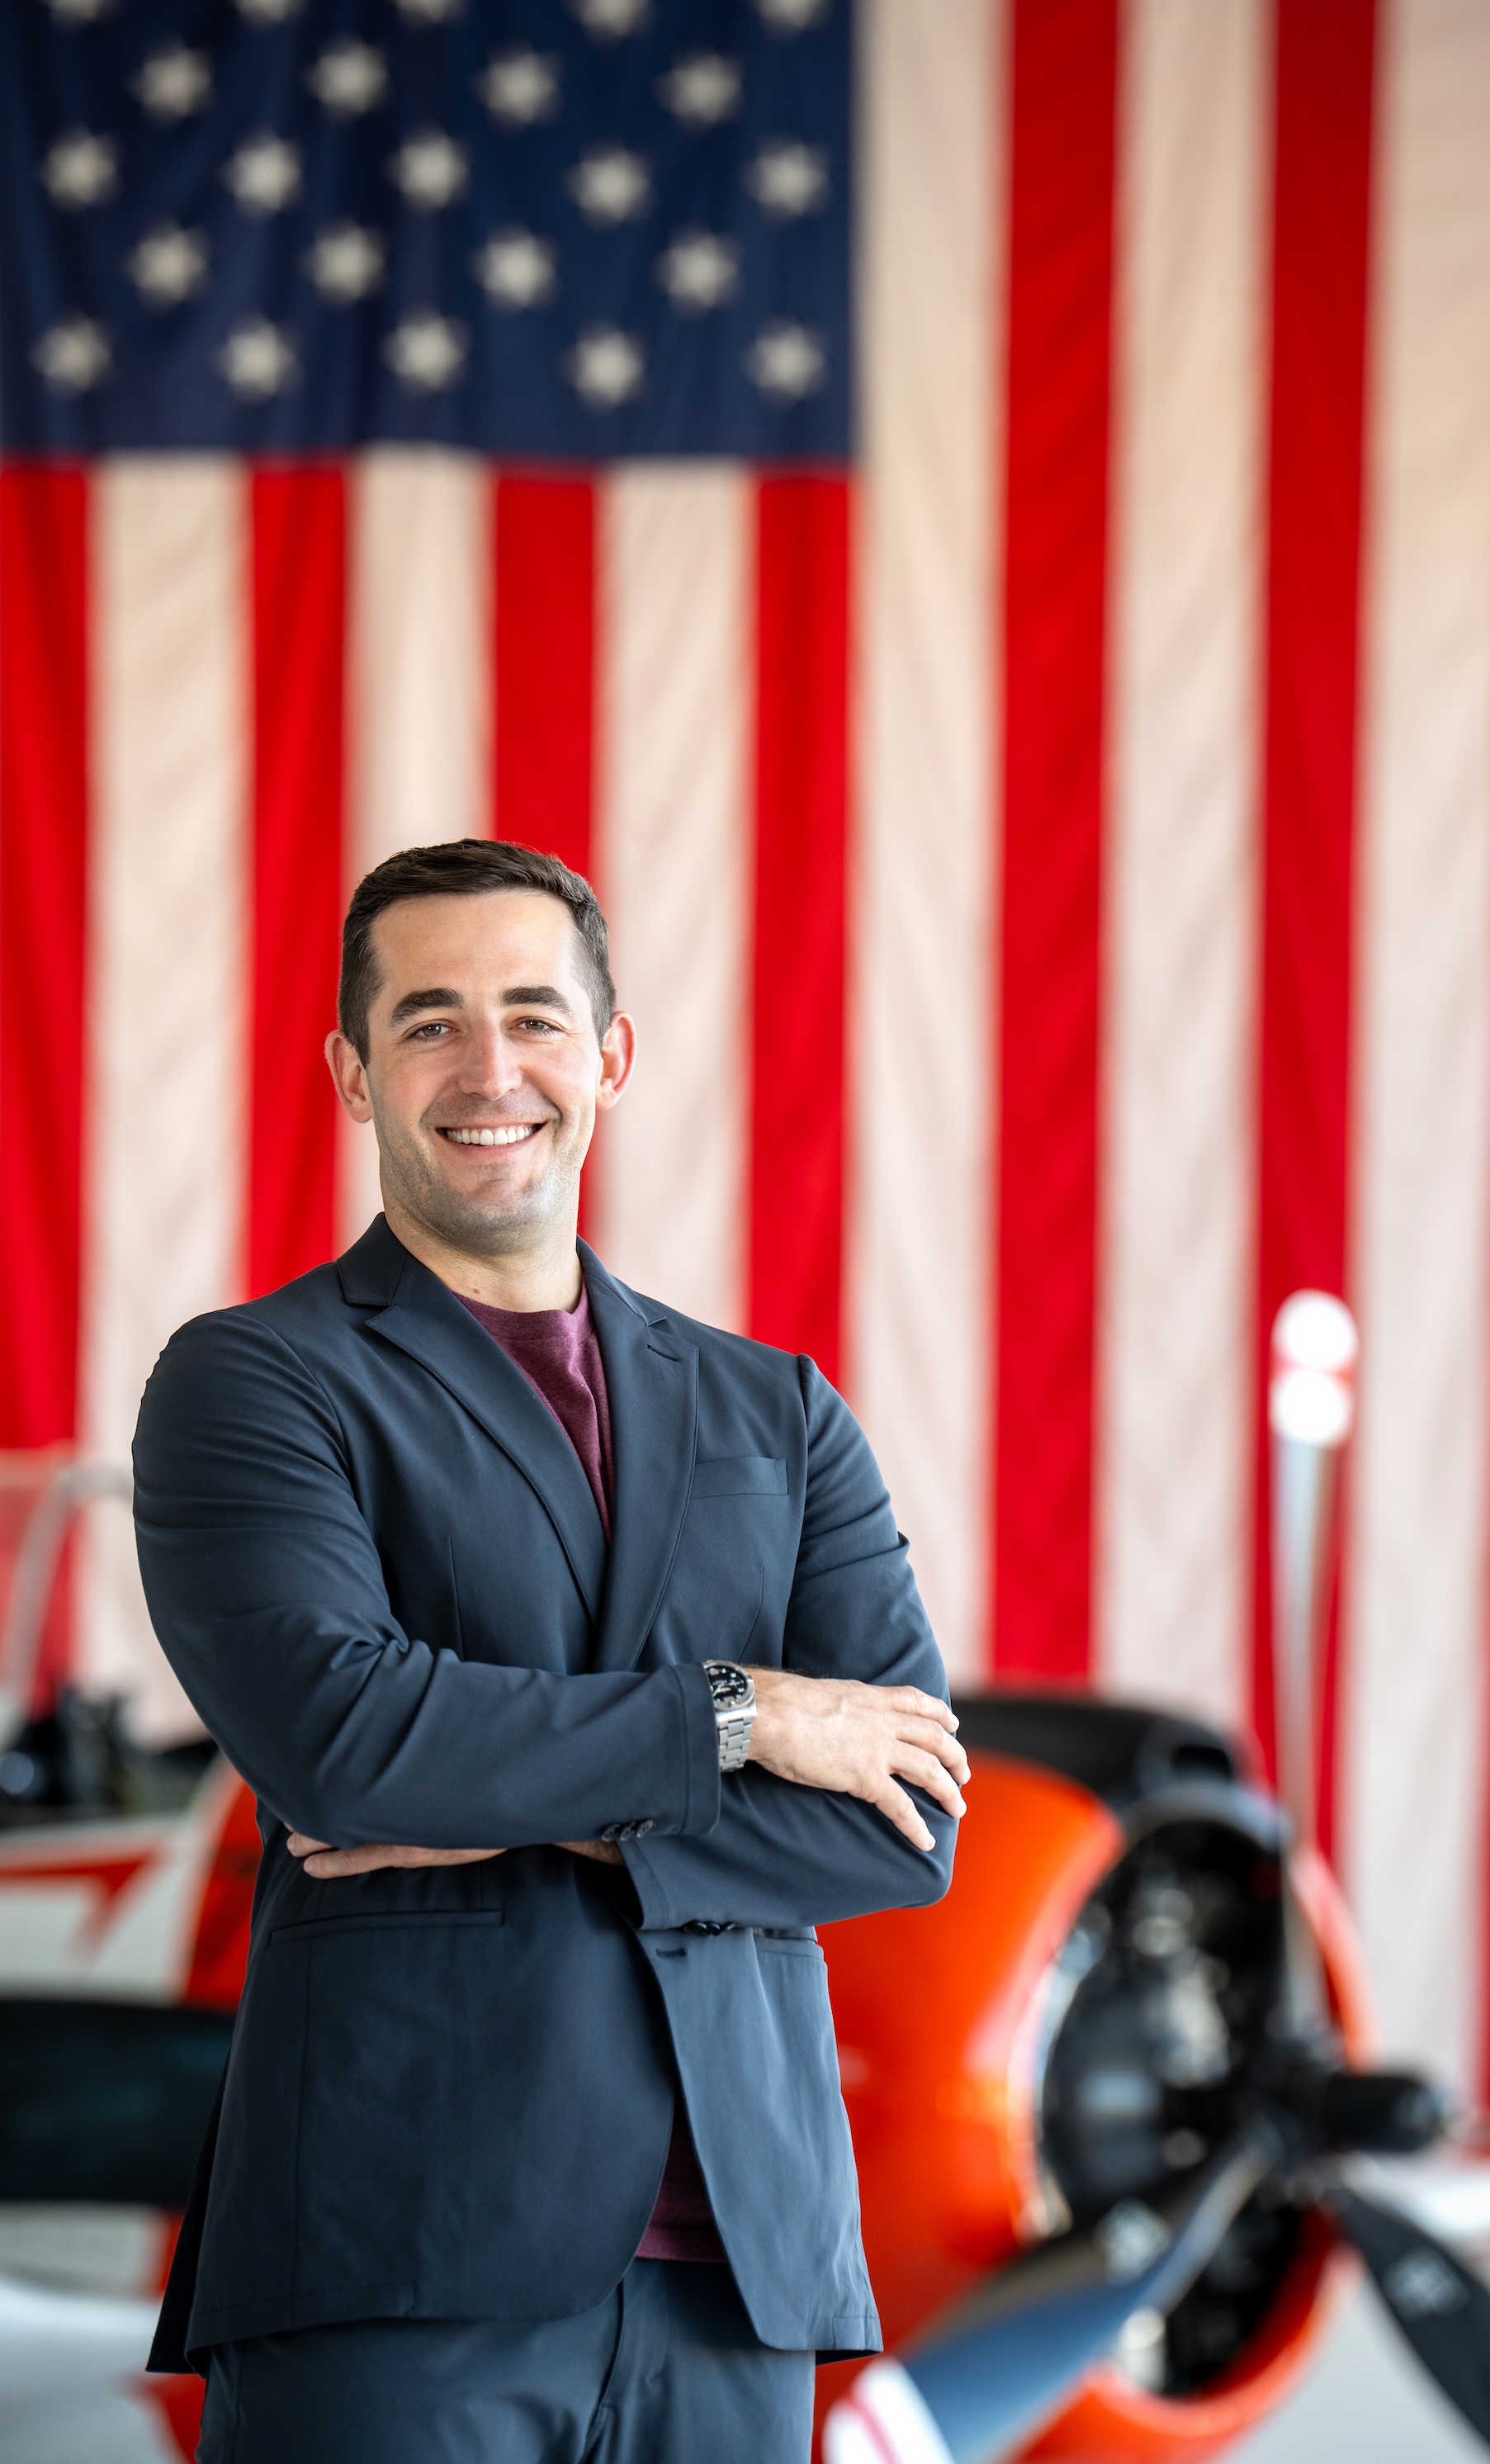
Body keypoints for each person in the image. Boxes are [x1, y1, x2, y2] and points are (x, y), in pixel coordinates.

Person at [135, 838, 968, 2464]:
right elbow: (345, 1744)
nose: (489, 1066)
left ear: (612, 1056)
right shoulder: (253, 1382)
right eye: (430, 1021)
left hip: (737, 2270)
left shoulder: (779, 1415)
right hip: (393, 2253)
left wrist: (497, 1793)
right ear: (353, 1073)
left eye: (531, 1013)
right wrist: (742, 1713)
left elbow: (902, 1819)